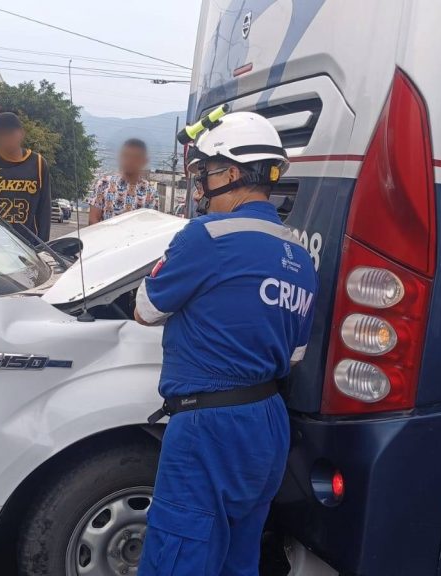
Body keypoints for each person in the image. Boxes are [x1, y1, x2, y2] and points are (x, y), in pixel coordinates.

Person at [134, 112, 317, 574]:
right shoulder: (300, 256)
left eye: (207, 174)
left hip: (208, 426)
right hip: (268, 425)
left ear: (232, 173)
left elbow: (146, 310)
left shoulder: (206, 237)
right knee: (239, 556)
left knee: (179, 555)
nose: (201, 188)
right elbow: (295, 354)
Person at [0, 112, 51, 242]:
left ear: (22, 133)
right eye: (3, 134)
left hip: (29, 244)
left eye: (11, 133)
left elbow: (44, 209)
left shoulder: (38, 163)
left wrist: (43, 245)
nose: (8, 138)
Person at [87, 138, 159, 224]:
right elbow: (93, 219)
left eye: (136, 157)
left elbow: (150, 225)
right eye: (127, 156)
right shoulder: (104, 183)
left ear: (144, 161)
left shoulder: (150, 192)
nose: (130, 161)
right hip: (106, 232)